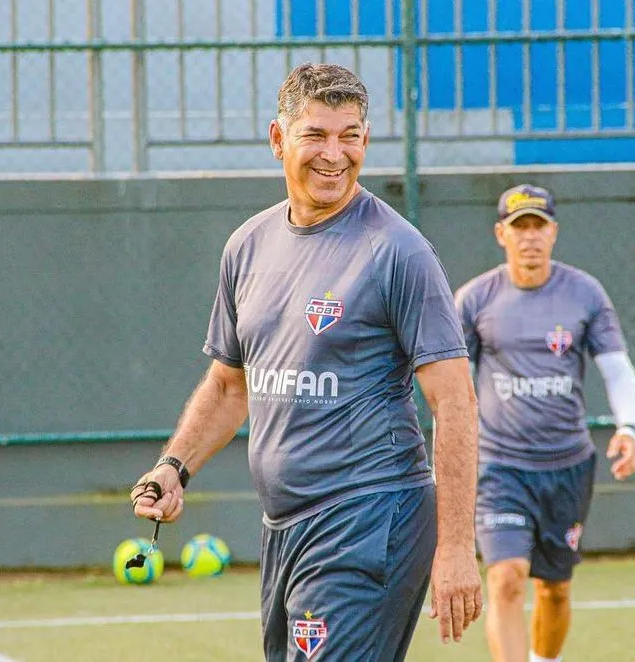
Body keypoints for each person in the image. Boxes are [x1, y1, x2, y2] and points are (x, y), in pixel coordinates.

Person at [129, 62, 482, 661]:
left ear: (366, 142)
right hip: (284, 527)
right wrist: (174, 466)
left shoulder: (398, 251)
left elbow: (454, 402)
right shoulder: (248, 245)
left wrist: (455, 547)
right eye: (316, 135)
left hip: (370, 516)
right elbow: (229, 385)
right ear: (277, 139)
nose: (334, 154)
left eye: (350, 136)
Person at [454, 184, 635, 662]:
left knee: (554, 589)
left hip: (568, 466)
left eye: (540, 226)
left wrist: (629, 428)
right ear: (502, 234)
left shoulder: (585, 292)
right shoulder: (475, 299)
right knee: (506, 578)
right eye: (520, 227)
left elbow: (617, 368)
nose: (530, 237)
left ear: (554, 232)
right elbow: (450, 382)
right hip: (500, 467)